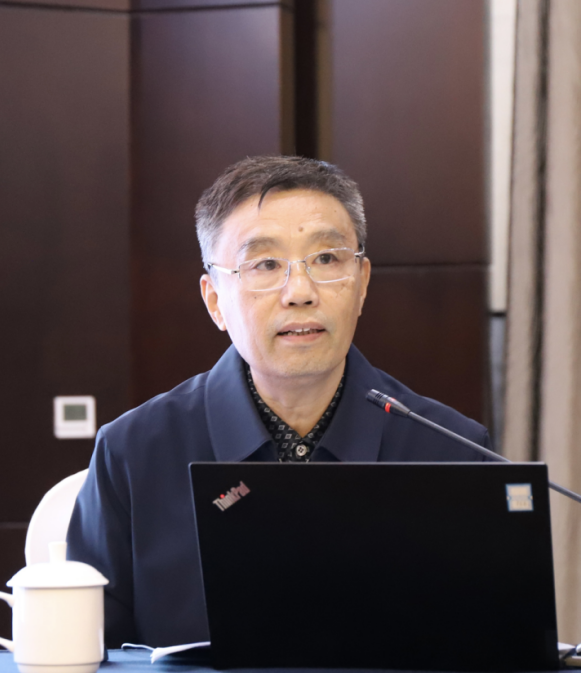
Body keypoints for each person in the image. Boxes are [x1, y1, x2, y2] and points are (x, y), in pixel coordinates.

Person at [67, 155, 492, 648]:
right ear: (214, 300)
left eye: (327, 259)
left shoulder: (452, 450)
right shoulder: (133, 452)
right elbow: (89, 655)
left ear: (362, 283)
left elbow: (486, 656)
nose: (300, 292)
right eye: (265, 265)